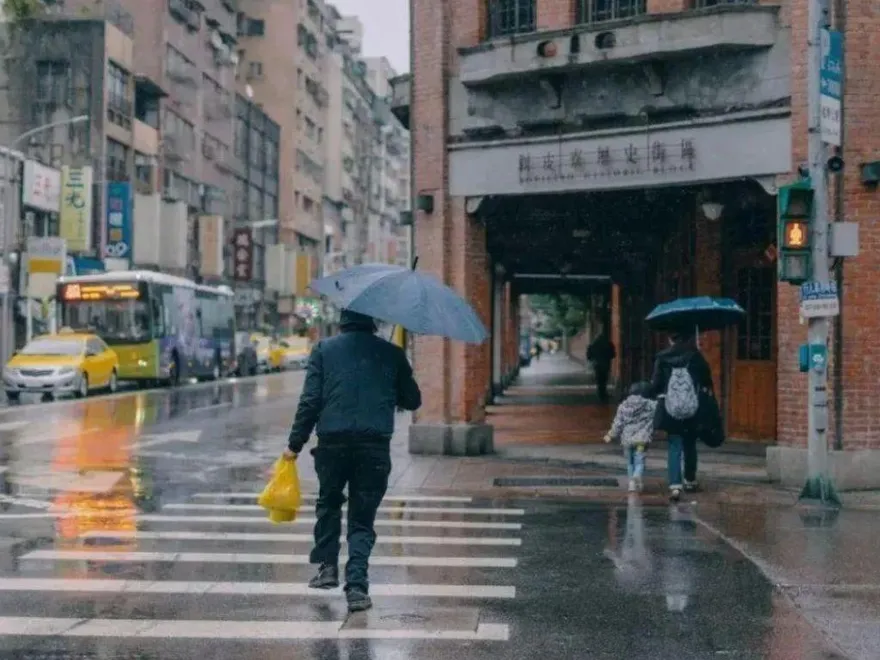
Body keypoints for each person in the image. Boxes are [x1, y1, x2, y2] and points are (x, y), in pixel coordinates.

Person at [284, 309, 422, 612]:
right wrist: (393, 379)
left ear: (342, 320)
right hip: (374, 447)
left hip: (332, 446)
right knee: (362, 518)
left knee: (329, 503)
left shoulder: (323, 350)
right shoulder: (391, 353)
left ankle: (327, 567)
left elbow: (310, 401)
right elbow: (412, 400)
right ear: (373, 321)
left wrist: (295, 444)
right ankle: (357, 587)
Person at [649, 329, 714, 501]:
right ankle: (690, 480)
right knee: (690, 443)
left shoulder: (662, 357)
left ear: (670, 339)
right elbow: (707, 380)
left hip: (670, 408)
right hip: (692, 407)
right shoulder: (695, 356)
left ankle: (675, 485)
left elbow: (656, 384)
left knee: (674, 444)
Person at [604, 381, 657, 492]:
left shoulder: (623, 406)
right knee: (640, 461)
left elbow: (618, 423)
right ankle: (637, 475)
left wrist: (610, 434)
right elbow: (660, 408)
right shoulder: (650, 405)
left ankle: (631, 484)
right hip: (641, 440)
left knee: (630, 462)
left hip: (627, 440)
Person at [587, 331, 617, 402]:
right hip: (606, 364)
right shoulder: (609, 344)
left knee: (599, 380)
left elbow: (589, 356)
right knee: (604, 380)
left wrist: (594, 359)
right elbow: (613, 355)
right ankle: (604, 393)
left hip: (597, 365)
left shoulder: (593, 344)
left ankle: (600, 394)